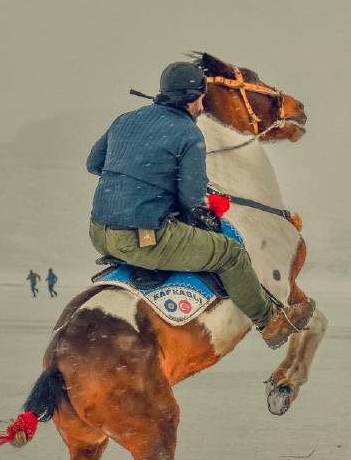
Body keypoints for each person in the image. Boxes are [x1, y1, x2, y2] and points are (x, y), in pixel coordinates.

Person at [86, 61, 314, 349]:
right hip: (141, 240)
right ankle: (270, 322)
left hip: (100, 235)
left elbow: (94, 164)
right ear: (195, 99)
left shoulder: (125, 120)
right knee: (229, 254)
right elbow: (192, 200)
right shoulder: (189, 134)